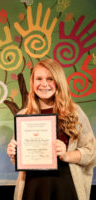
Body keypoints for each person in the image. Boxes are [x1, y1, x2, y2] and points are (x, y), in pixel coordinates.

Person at [7, 59, 96, 200]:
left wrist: (67, 154)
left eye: (50, 79)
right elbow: (20, 160)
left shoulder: (74, 112)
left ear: (59, 81)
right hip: (32, 187)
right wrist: (14, 153)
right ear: (32, 82)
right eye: (39, 79)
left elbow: (92, 152)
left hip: (65, 186)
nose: (44, 84)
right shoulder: (23, 116)